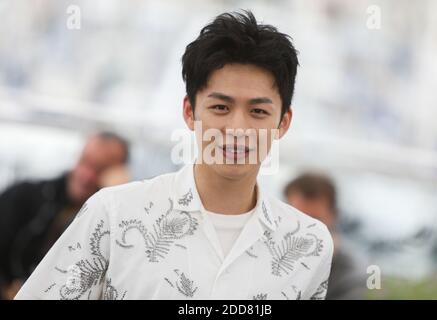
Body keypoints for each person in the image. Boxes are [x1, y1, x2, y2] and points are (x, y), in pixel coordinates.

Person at [15, 11, 333, 300]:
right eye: (220, 107)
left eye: (258, 111)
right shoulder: (113, 214)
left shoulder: (310, 243)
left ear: (283, 122)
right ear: (189, 111)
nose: (238, 127)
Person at [0, 131, 129, 299]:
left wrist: (120, 196)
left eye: (100, 169)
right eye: (85, 162)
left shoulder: (114, 221)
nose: (87, 176)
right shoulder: (23, 195)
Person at [285, 173, 368, 299]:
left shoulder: (353, 275)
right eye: (296, 217)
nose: (304, 229)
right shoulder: (271, 257)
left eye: (314, 220)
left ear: (334, 216)